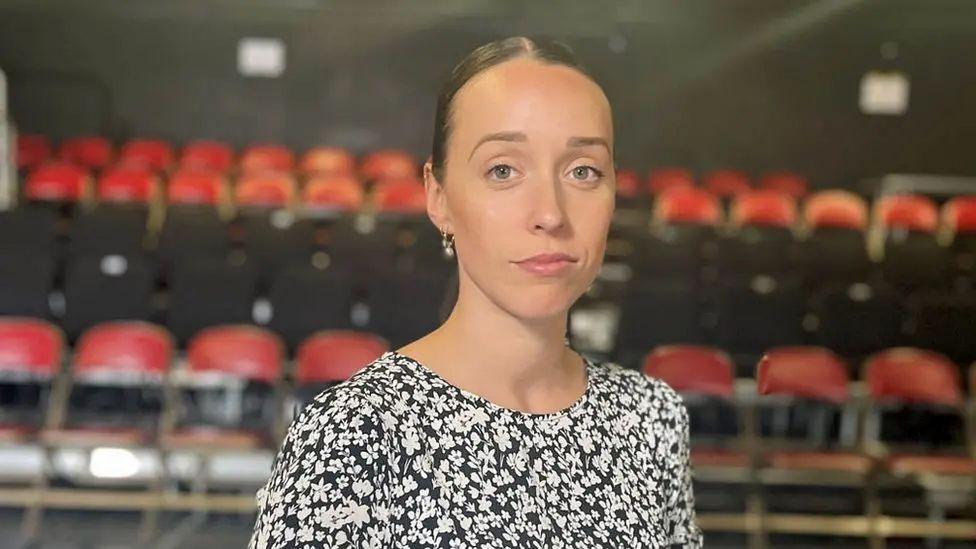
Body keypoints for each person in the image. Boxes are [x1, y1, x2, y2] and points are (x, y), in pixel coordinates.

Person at [249, 35, 702, 548]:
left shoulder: (651, 416)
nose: (550, 213)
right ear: (438, 197)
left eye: (583, 171)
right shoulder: (355, 434)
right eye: (503, 170)